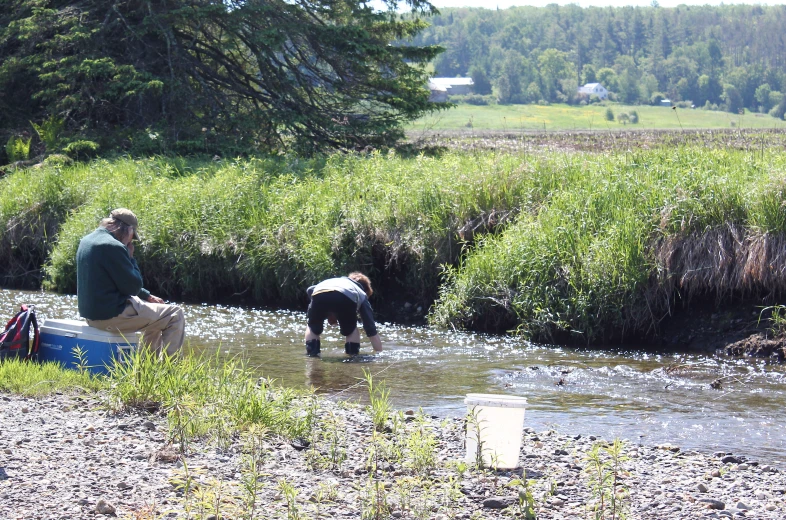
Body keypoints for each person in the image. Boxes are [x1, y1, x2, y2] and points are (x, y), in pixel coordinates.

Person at [76, 208, 185, 355]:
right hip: (111, 317)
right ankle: (168, 372)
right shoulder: (114, 247)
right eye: (132, 236)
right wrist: (131, 257)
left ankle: (147, 368)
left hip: (92, 317)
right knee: (174, 315)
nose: (131, 241)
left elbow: (116, 278)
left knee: (156, 318)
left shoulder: (87, 241)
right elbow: (133, 286)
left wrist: (146, 296)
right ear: (128, 230)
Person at [304, 272, 383, 357]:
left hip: (318, 293)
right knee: (351, 330)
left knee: (313, 326)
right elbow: (370, 328)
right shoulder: (361, 293)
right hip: (345, 297)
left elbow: (310, 290)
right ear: (365, 289)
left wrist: (329, 313)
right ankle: (352, 357)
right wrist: (380, 353)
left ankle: (312, 357)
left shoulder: (334, 281)